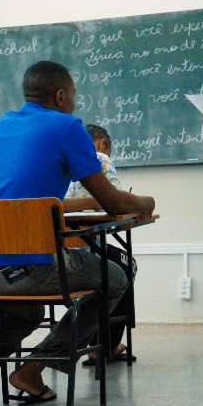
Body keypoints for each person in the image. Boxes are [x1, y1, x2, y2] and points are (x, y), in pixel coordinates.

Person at [0, 60, 155, 406]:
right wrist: (145, 202)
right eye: (75, 96)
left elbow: (21, 201)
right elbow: (112, 200)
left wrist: (77, 202)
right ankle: (33, 369)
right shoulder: (68, 126)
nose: (75, 103)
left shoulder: (0, 125)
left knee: (27, 311)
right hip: (26, 266)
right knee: (116, 278)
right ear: (62, 95)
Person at [62, 124, 135, 366]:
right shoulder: (99, 157)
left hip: (56, 250)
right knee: (127, 266)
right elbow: (118, 212)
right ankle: (107, 346)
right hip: (84, 250)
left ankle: (97, 340)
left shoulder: (59, 159)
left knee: (109, 266)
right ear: (102, 144)